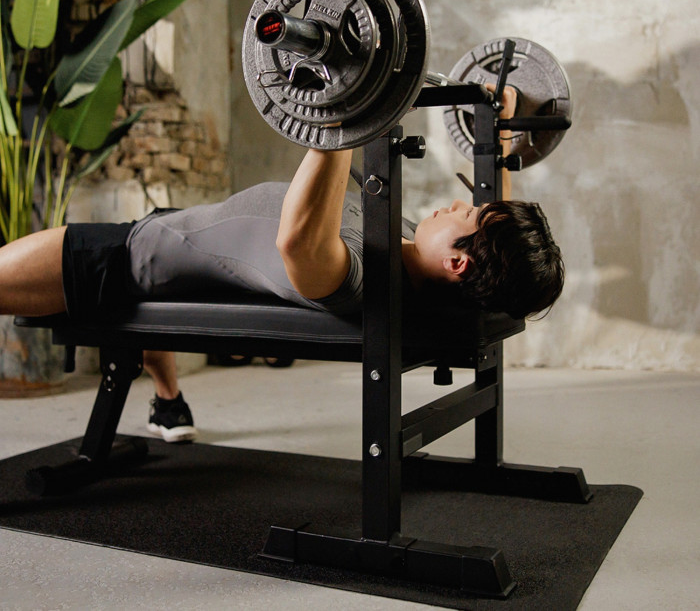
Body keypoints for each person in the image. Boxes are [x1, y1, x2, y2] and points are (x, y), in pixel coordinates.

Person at [0, 87, 563, 441]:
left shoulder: (360, 275)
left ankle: (167, 400)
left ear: (458, 264)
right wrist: (499, 126)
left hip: (126, 257)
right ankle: (169, 403)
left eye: (469, 215)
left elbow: (296, 242)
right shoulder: (418, 255)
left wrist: (349, 110)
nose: (462, 203)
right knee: (173, 269)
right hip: (178, 239)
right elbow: (496, 247)